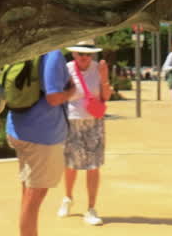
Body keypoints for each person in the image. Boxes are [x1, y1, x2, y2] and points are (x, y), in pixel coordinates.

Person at [9, 49, 78, 236]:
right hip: (42, 135)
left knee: (28, 192)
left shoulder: (30, 48)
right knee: (34, 196)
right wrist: (72, 90)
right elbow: (53, 97)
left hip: (18, 128)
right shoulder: (53, 53)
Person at [58, 41, 111, 226]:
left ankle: (91, 208)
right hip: (72, 121)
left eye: (88, 54)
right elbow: (59, 94)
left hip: (94, 122)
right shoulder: (66, 69)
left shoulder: (98, 69)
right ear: (73, 54)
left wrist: (104, 78)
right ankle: (68, 197)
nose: (84, 57)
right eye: (80, 53)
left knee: (93, 165)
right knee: (70, 164)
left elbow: (106, 96)